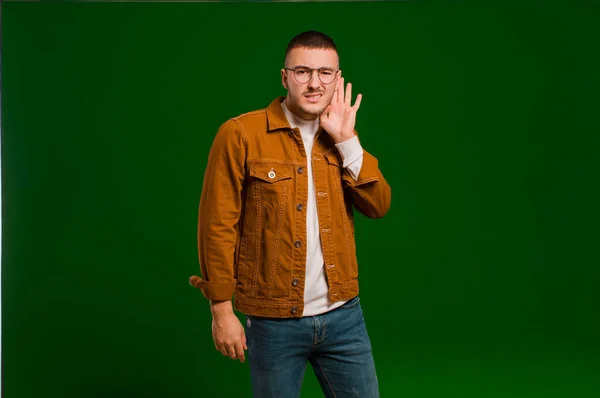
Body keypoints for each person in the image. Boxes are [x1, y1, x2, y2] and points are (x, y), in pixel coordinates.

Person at [189, 30, 392, 397]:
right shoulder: (240, 134)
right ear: (285, 77)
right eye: (302, 72)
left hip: (345, 317)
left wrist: (348, 142)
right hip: (272, 323)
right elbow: (217, 225)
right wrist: (221, 310)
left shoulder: (341, 136)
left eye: (325, 73)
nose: (315, 84)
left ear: (337, 80)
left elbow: (378, 205)